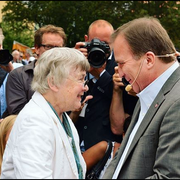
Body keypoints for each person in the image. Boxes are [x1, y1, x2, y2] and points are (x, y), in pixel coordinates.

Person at [102, 16, 180, 179]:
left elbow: (168, 176)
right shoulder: (147, 91)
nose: (119, 72)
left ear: (149, 60)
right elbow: (122, 157)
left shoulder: (176, 102)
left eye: (121, 63)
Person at [1, 47, 89, 179]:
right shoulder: (33, 123)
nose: (85, 87)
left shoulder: (61, 116)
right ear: (53, 82)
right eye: (81, 79)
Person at [2, 24, 67, 118]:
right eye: (48, 47)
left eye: (58, 48)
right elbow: (18, 114)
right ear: (36, 48)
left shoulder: (68, 76)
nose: (54, 52)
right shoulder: (19, 75)